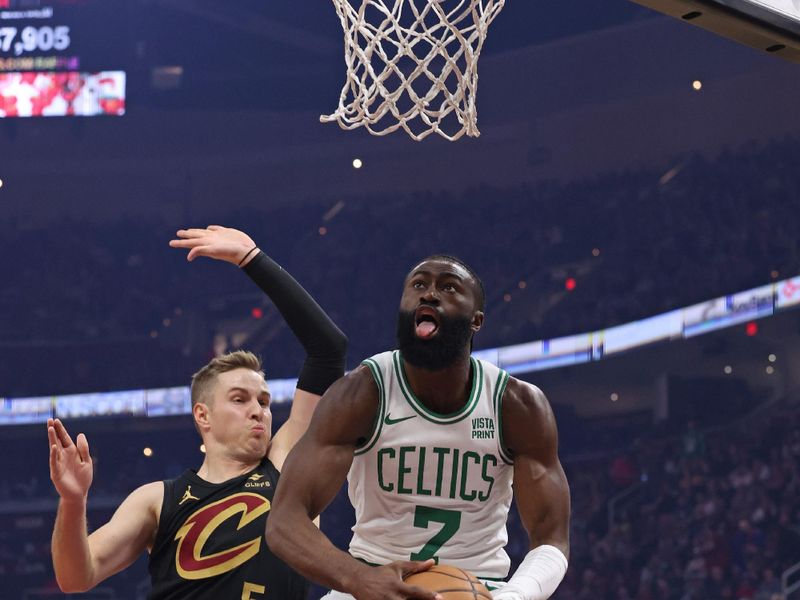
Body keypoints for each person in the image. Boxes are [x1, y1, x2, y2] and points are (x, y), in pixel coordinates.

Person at [48, 225, 347, 600]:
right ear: (202, 416)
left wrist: (252, 259)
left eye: (265, 401)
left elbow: (328, 350)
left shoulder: (287, 467)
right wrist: (73, 502)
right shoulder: (157, 499)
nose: (258, 411)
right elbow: (75, 577)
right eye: (240, 399)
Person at [267, 255, 571, 600]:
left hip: (481, 584)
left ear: (476, 320)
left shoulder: (516, 404)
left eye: (448, 287)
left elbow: (552, 537)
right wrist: (357, 579)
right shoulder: (362, 392)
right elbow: (284, 521)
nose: (429, 294)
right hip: (372, 577)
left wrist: (515, 595)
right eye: (419, 285)